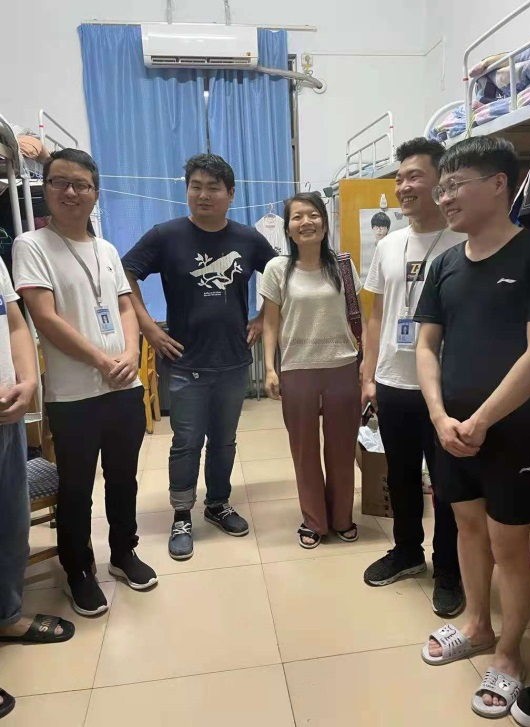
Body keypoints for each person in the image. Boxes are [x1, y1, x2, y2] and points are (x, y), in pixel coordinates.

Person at [415, 136, 530, 719]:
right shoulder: (445, 263)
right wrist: (439, 416)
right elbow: (426, 345)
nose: (444, 197)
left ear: (500, 184)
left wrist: (480, 420)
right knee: (466, 527)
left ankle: (509, 651)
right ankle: (477, 626)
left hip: (514, 428)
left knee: (510, 543)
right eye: (442, 187)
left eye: (456, 185)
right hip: (450, 427)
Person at [13, 149, 157, 618]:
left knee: (124, 479)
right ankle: (78, 570)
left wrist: (130, 355)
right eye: (60, 182)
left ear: (96, 193)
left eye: (82, 184)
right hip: (74, 395)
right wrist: (100, 359)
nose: (71, 192)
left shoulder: (107, 249)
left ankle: (124, 552)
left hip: (124, 388)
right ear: (46, 188)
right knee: (76, 487)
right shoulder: (31, 246)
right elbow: (44, 317)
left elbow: (125, 307)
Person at [122, 154, 277, 560]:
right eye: (196, 186)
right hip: (185, 361)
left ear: (231, 194)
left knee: (224, 441)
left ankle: (218, 504)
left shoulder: (247, 239)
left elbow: (281, 274)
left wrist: (263, 316)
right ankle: (181, 514)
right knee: (186, 442)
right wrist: (149, 328)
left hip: (233, 360)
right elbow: (125, 274)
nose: (203, 194)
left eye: (213, 187)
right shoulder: (166, 235)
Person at [361, 138, 464, 618]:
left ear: (441, 181)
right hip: (393, 383)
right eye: (399, 178)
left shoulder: (463, 241)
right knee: (400, 475)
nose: (403, 186)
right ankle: (406, 551)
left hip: (446, 387)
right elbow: (376, 316)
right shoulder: (387, 245)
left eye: (414, 176)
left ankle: (449, 570)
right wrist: (369, 376)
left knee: (446, 483)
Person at [262, 192, 362, 548]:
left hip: (342, 367)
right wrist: (270, 368)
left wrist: (366, 366)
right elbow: (270, 323)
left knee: (342, 449)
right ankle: (315, 521)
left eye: (314, 215)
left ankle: (342, 517)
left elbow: (357, 316)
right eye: (297, 217)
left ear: (324, 221)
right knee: (304, 451)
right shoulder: (277, 269)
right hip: (297, 369)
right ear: (288, 228)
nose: (306, 222)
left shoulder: (343, 266)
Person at [0, 256, 75, 718]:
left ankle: (6, 616)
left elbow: (13, 322)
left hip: (6, 416)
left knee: (11, 527)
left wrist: (27, 382)